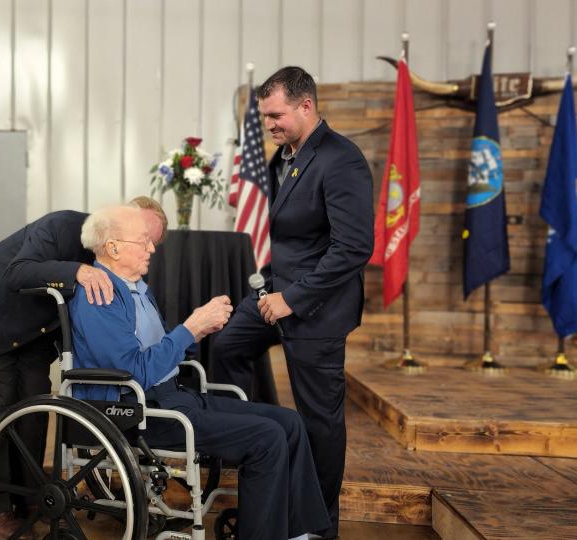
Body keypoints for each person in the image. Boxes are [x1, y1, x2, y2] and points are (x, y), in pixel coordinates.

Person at [69, 206, 330, 540]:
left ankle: (298, 532)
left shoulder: (137, 288)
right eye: (143, 242)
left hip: (172, 397)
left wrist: (197, 332)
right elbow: (133, 372)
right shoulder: (99, 297)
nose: (152, 249)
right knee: (267, 438)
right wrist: (189, 329)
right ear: (114, 247)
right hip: (139, 412)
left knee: (289, 422)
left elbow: (159, 351)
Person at [211, 66, 374, 539]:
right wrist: (272, 293)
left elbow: (353, 248)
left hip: (317, 307)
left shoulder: (341, 159)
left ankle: (318, 527)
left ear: (306, 106)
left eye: (276, 115)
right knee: (226, 347)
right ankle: (271, 438)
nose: (269, 125)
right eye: (264, 117)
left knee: (321, 423)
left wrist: (293, 300)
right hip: (273, 291)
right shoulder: (285, 154)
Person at [0, 196, 166, 538]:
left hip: (35, 331)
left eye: (153, 242)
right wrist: (76, 270)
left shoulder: (120, 263)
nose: (148, 247)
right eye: (142, 237)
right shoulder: (64, 225)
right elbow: (18, 271)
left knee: (34, 415)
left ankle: (34, 498)